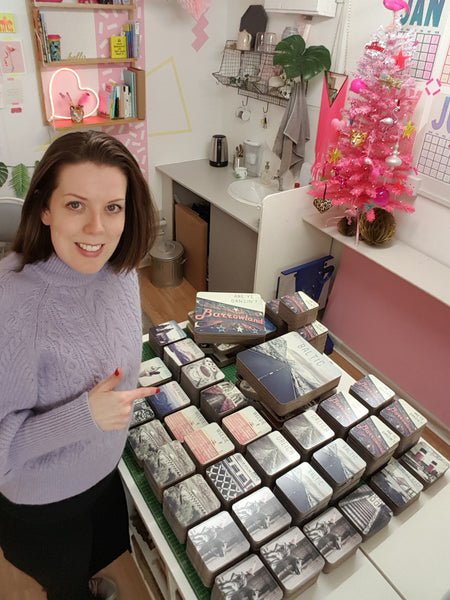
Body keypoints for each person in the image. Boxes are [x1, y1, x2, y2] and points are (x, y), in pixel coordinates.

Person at [0, 130, 159, 600]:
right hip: (45, 499)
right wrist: (83, 416)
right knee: (65, 586)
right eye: (75, 205)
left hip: (105, 468)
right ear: (45, 208)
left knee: (101, 551)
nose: (97, 230)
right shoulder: (15, 309)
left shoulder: (122, 270)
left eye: (113, 207)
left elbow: (112, 354)